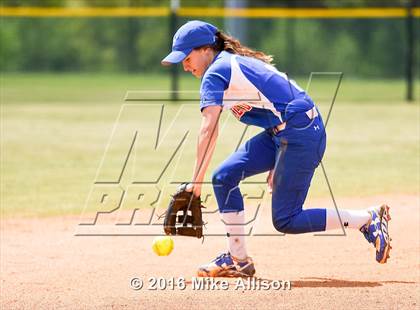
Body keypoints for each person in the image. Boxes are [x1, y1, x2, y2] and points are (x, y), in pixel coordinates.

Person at [161, 20, 391, 277]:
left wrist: (196, 184)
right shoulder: (228, 64)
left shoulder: (217, 71)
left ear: (205, 49)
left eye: (187, 57)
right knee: (224, 177)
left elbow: (208, 129)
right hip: (286, 131)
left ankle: (366, 219)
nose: (184, 65)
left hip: (300, 134)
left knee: (286, 219)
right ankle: (238, 259)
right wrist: (279, 157)